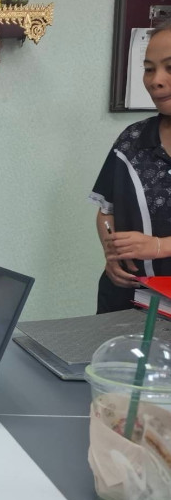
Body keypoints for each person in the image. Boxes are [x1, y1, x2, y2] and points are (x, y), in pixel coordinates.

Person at [90, 20, 171, 313]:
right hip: (126, 300)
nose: (156, 80)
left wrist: (159, 246)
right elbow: (106, 212)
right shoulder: (132, 140)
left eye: (170, 67)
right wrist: (112, 253)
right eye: (149, 69)